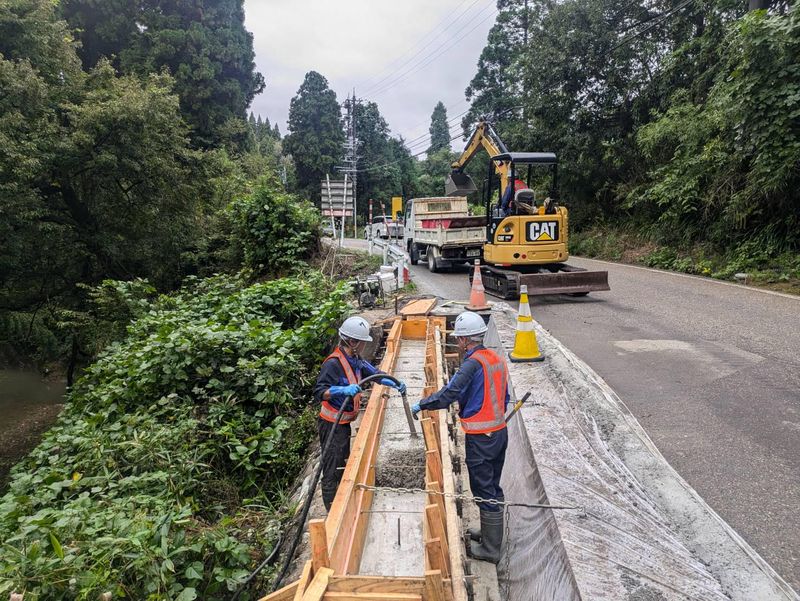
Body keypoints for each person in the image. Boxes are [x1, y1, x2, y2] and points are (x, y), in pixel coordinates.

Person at [411, 311, 509, 563]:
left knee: (482, 487)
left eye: (458, 339)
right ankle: (489, 536)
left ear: (466, 340)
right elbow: (504, 396)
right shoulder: (494, 358)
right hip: (498, 433)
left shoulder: (472, 364)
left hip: (481, 437)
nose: (457, 342)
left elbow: (450, 393)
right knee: (492, 485)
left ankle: (491, 550)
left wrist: (423, 404)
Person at [313, 316, 406, 511]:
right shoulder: (333, 364)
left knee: (343, 460)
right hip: (331, 425)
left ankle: (342, 500)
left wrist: (392, 381)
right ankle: (332, 510)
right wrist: (341, 390)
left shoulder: (355, 360)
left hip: (344, 424)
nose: (364, 345)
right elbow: (320, 392)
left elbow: (374, 373)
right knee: (332, 467)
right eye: (362, 342)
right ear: (352, 342)